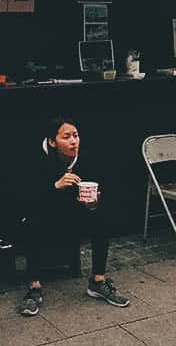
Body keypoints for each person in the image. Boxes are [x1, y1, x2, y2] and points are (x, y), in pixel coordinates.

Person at [19, 117, 129, 316]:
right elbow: (26, 199)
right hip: (45, 215)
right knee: (32, 221)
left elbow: (106, 189)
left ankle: (98, 281)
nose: (73, 141)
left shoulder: (87, 157)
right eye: (66, 137)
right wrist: (55, 186)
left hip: (73, 215)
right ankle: (34, 288)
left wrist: (93, 205)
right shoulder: (37, 159)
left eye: (76, 136)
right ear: (53, 142)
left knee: (102, 218)